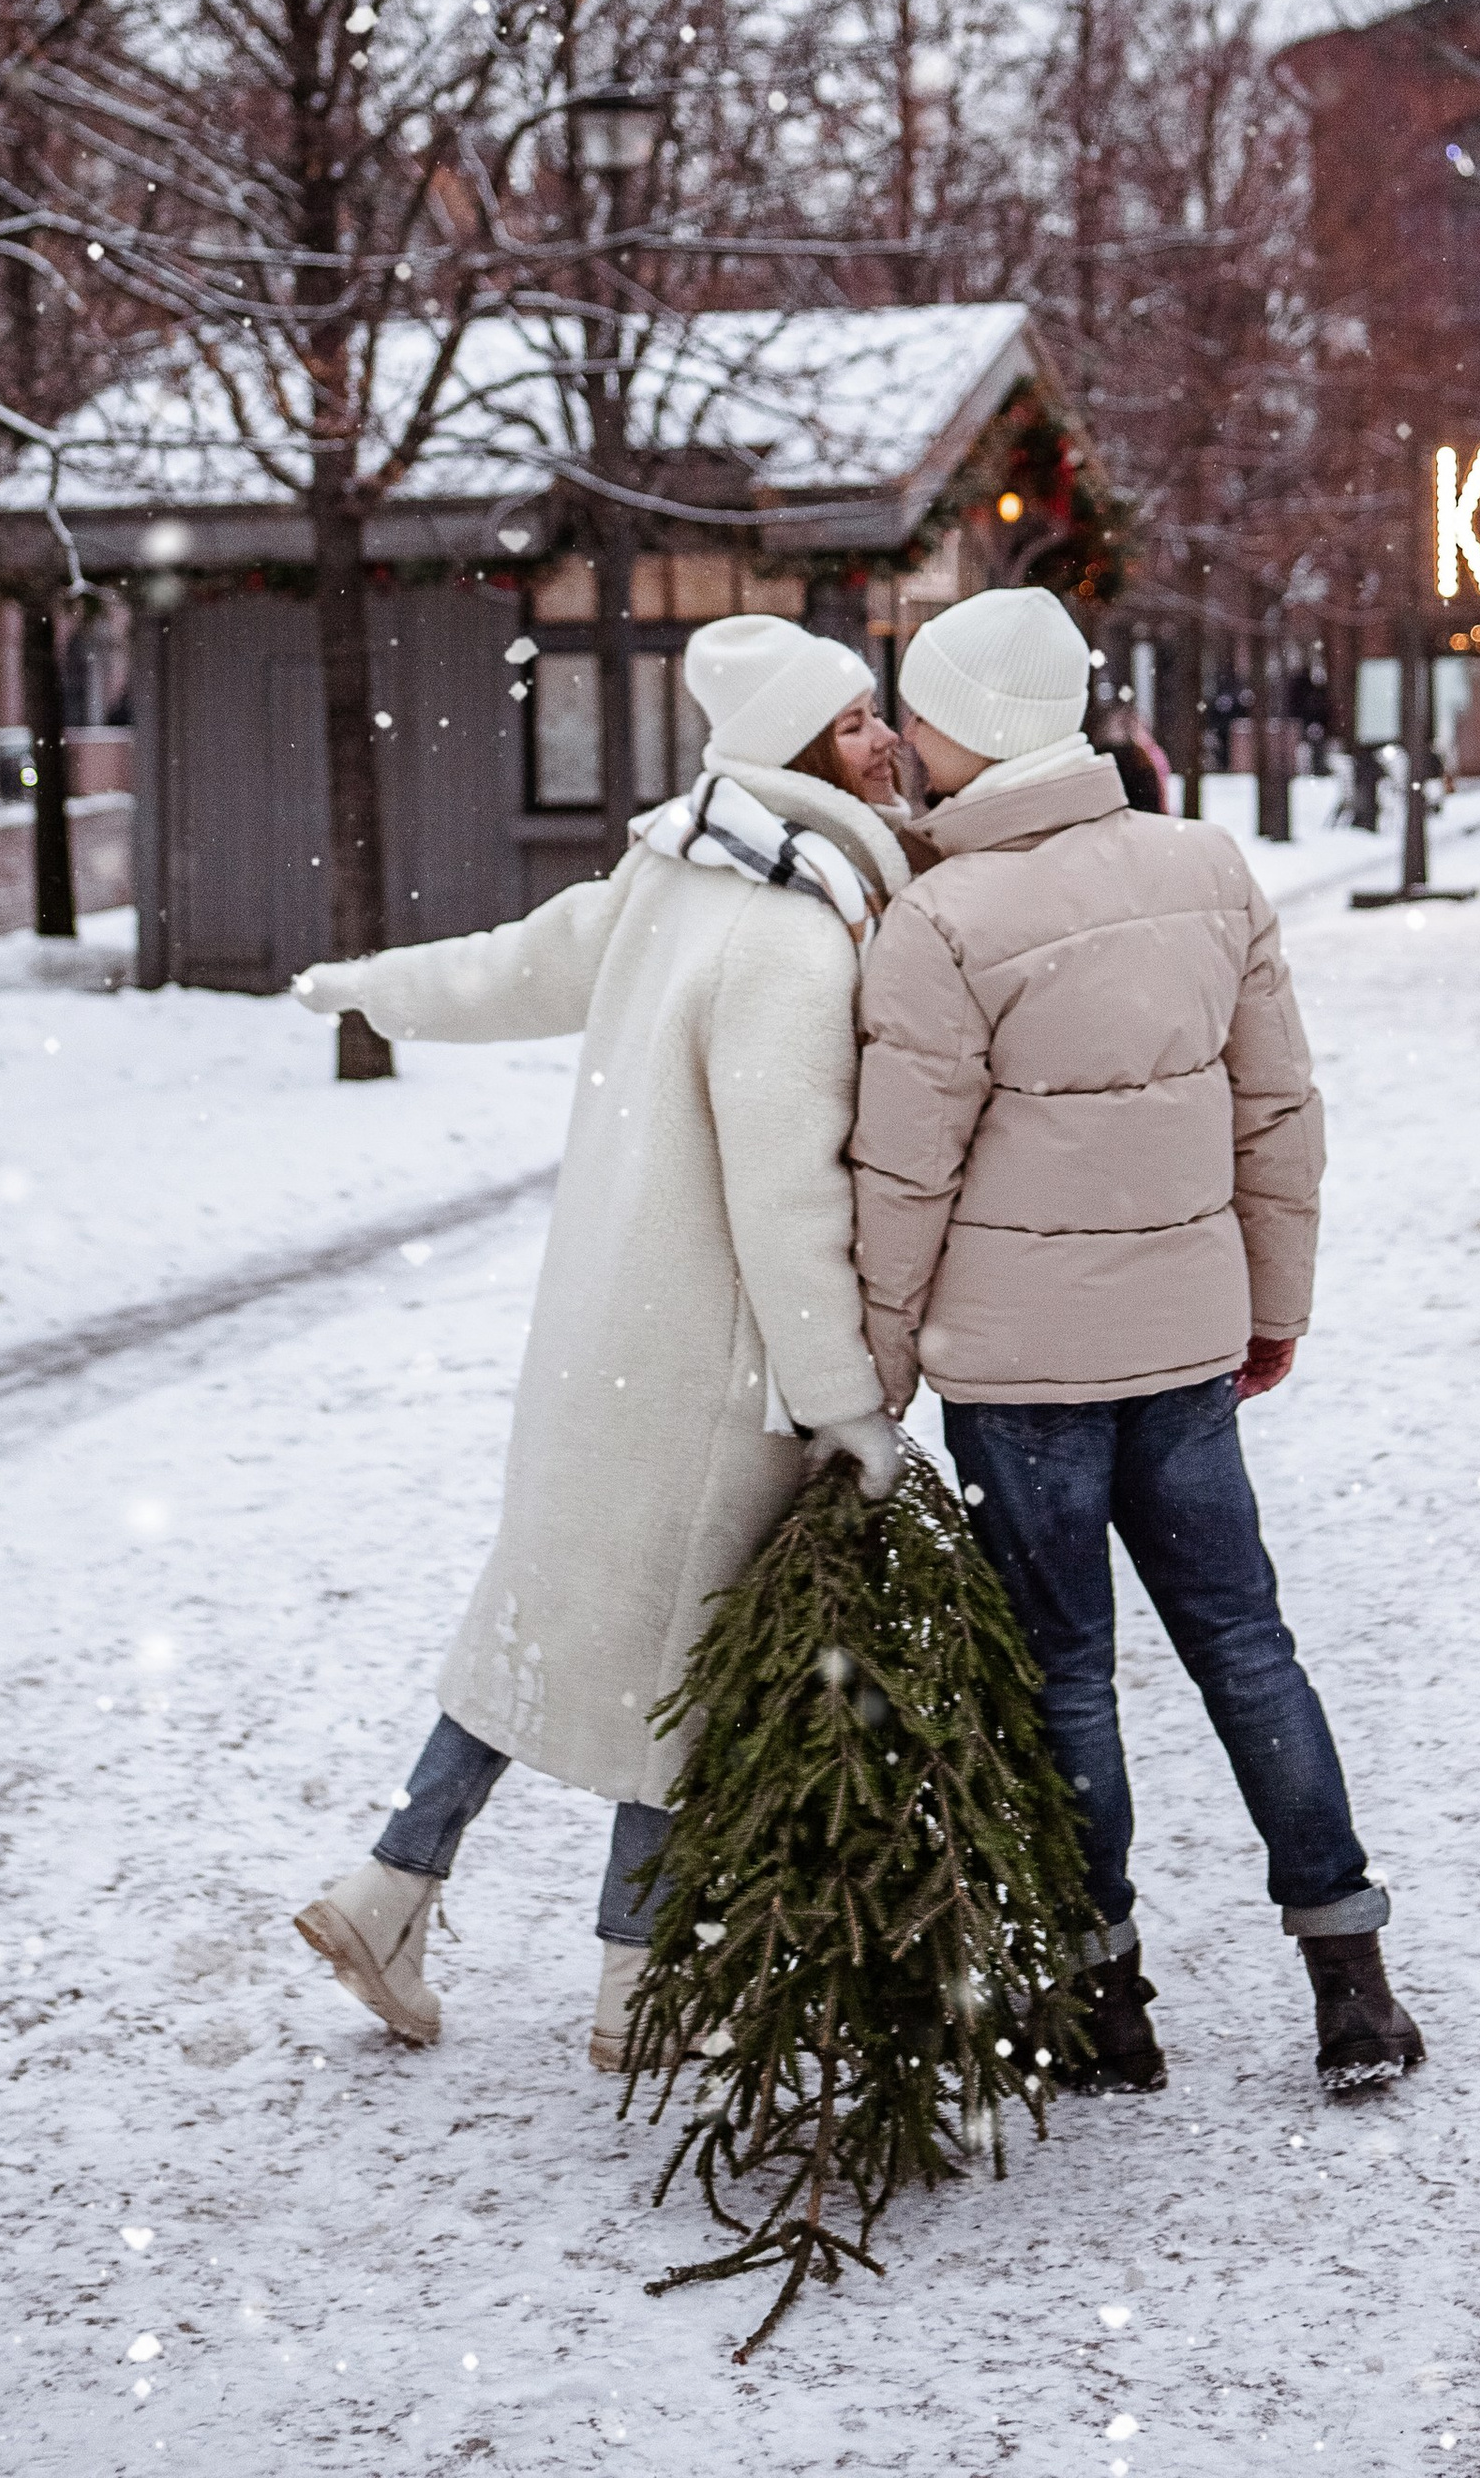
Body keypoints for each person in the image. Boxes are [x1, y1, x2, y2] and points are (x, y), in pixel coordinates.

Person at [288, 617, 909, 2070]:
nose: (886, 742)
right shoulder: (791, 930)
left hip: (603, 1342)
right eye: (864, 721)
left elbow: (513, 970)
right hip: (716, 1371)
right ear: (810, 749)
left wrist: (371, 982)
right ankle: (642, 1985)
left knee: (552, 1612)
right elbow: (786, 1198)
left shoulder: (678, 874)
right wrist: (843, 1402)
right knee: (684, 1663)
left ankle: (390, 1889)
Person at [851, 583, 1422, 2099]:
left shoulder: (939, 922)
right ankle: (1353, 1983)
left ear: (970, 727)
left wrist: (874, 1373)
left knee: (1065, 1681)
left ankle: (1107, 2005)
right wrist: (1274, 1305)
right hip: (1184, 1349)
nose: (902, 738)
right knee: (1247, 1648)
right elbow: (1278, 1114)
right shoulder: (1203, 868)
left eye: (915, 710)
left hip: (1017, 1375)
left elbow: (900, 1179)